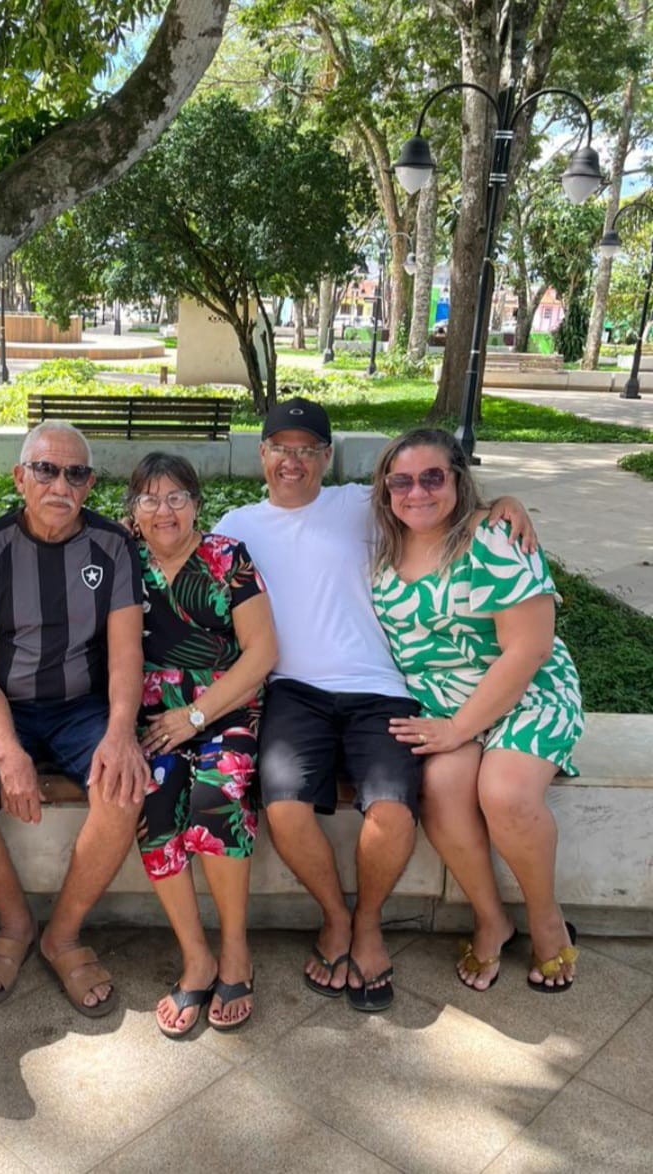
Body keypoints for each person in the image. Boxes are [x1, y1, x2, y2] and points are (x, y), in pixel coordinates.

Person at [216, 397, 535, 1012]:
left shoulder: (360, 504)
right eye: (281, 447)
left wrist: (503, 503)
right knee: (284, 811)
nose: (293, 460)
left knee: (392, 813)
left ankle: (367, 926)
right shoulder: (237, 526)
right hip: (291, 691)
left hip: (380, 690)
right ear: (262, 455)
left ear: (326, 458)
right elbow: (178, 557)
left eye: (307, 449)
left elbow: (436, 498)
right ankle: (338, 918)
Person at [0, 421, 149, 1016]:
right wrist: (7, 753)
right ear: (20, 478)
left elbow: (127, 653)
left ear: (89, 483)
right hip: (3, 705)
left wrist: (120, 731)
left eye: (75, 473)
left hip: (83, 708)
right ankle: (15, 923)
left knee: (124, 788)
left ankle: (63, 934)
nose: (61, 484)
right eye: (46, 470)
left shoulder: (111, 547)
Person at [371, 428, 583, 993]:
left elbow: (530, 648)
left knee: (506, 793)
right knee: (440, 790)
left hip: (525, 690)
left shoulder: (491, 537)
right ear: (386, 490)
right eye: (402, 481)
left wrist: (462, 728)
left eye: (433, 477)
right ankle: (492, 917)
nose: (416, 492)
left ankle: (545, 919)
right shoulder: (383, 543)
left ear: (459, 481)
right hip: (440, 704)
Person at [127, 453, 277, 1037]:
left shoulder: (226, 558)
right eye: (148, 499)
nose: (163, 511)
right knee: (154, 804)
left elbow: (262, 654)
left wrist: (196, 715)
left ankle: (235, 952)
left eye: (176, 498)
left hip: (226, 709)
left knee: (218, 798)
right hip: (153, 720)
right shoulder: (123, 559)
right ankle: (197, 957)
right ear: (132, 509)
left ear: (196, 502)